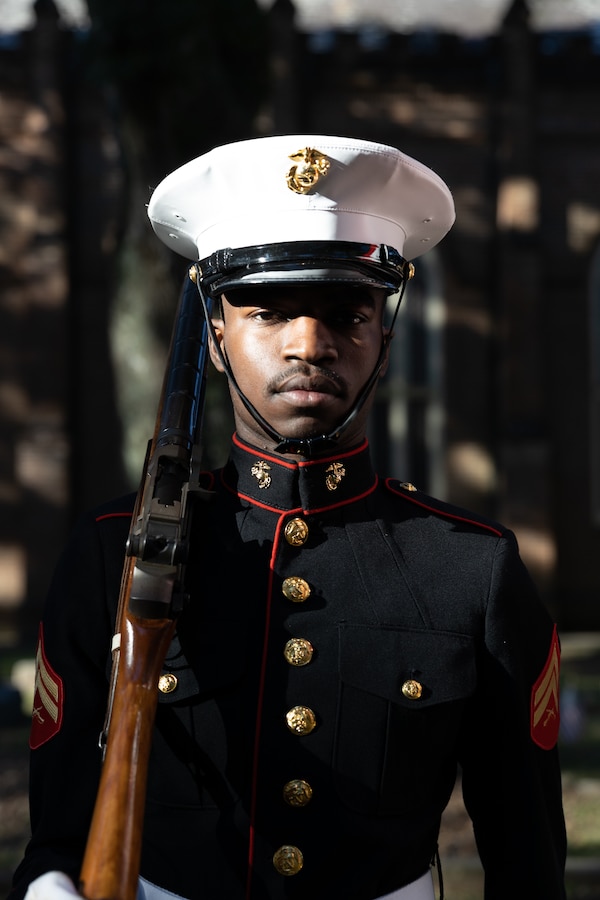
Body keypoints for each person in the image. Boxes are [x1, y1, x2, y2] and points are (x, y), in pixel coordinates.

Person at [10, 134, 566, 900]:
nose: (311, 345)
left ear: (385, 336)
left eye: (346, 315)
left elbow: (526, 861)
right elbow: (57, 842)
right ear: (215, 336)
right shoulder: (113, 553)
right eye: (269, 311)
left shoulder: (471, 568)